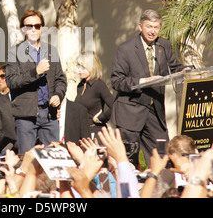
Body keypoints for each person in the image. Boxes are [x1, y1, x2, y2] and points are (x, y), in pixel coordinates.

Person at [110, 9, 190, 167]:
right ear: (140, 27)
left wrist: (186, 70)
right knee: (129, 162)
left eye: (156, 27)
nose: (152, 31)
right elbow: (117, 81)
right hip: (130, 113)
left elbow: (174, 68)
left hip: (155, 112)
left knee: (163, 157)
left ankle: (162, 189)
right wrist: (143, 81)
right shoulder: (125, 49)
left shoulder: (164, 45)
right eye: (149, 27)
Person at [6, 9, 67, 154]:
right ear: (23, 29)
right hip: (26, 116)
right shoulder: (14, 52)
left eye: (37, 26)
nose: (33, 29)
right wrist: (35, 72)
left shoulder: (51, 51)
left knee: (53, 159)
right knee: (28, 161)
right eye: (29, 26)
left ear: (42, 28)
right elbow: (11, 81)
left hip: (49, 115)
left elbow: (60, 79)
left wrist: (58, 95)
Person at [74, 51, 115, 137]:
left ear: (92, 67)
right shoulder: (80, 86)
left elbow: (115, 105)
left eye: (83, 67)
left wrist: (100, 118)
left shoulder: (98, 84)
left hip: (96, 132)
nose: (79, 70)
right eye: (78, 66)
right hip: (81, 133)